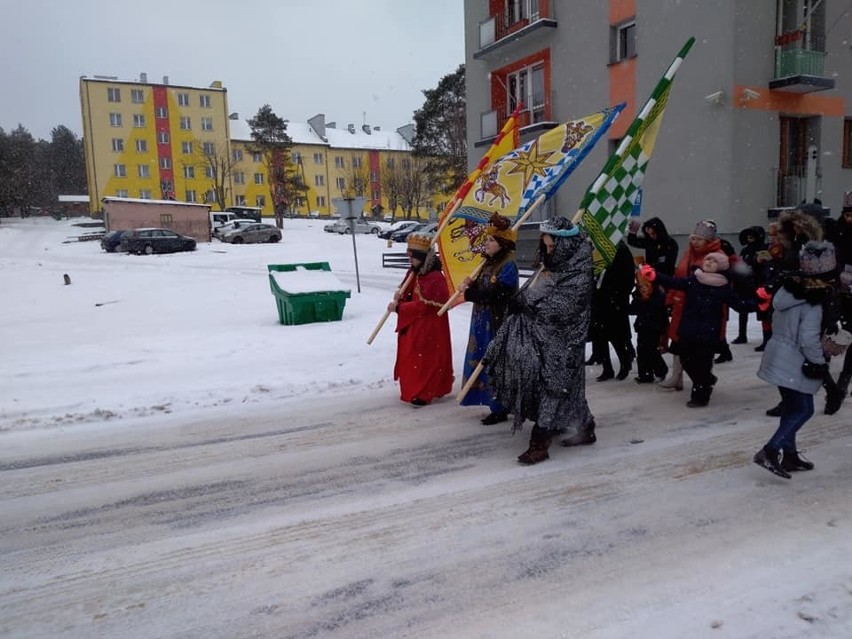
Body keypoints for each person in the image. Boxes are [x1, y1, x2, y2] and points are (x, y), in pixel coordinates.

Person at [482, 217, 595, 464]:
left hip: (565, 336)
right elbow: (539, 289)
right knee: (568, 385)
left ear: (564, 244)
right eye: (546, 246)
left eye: (553, 246)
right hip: (545, 333)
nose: (549, 251)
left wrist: (529, 305)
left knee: (553, 385)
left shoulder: (580, 269)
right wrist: (523, 299)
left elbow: (565, 305)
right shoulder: (554, 265)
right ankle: (585, 426)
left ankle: (540, 442)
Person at [752, 241, 838, 478]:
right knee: (804, 410)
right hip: (795, 361)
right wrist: (820, 362)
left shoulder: (789, 291)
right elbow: (808, 339)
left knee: (792, 407)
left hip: (778, 354)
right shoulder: (813, 301)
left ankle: (789, 456)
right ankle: (770, 451)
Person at [641, 251, 755, 407]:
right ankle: (706, 380)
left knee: (702, 363)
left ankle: (700, 396)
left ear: (720, 267)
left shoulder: (723, 288)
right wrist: (654, 276)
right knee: (686, 360)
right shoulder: (695, 280)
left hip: (708, 332)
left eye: (713, 261)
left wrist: (760, 304)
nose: (708, 263)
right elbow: (674, 282)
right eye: (707, 260)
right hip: (688, 329)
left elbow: (739, 305)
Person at [457, 213, 520, 425]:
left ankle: (500, 407)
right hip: (482, 322)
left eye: (491, 240)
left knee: (496, 364)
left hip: (497, 322)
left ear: (501, 244)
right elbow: (483, 287)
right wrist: (470, 285)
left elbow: (498, 294)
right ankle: (489, 400)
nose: (487, 243)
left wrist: (471, 294)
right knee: (482, 361)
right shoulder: (487, 263)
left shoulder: (508, 265)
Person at [387, 232, 454, 406]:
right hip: (414, 324)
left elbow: (425, 306)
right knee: (412, 358)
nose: (410, 261)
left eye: (413, 258)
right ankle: (414, 389)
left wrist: (400, 308)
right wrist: (400, 297)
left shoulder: (435, 278)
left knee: (427, 360)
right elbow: (409, 293)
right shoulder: (415, 272)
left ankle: (424, 393)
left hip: (430, 326)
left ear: (422, 258)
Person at [658, 220, 722, 391]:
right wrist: (671, 298)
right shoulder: (688, 254)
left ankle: (702, 382)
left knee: (700, 349)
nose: (694, 242)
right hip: (683, 305)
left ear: (708, 241)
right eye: (693, 239)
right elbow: (678, 277)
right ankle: (677, 377)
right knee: (679, 343)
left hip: (703, 309)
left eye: (699, 240)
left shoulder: (715, 257)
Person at [589, 241, 636, 381]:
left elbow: (628, 275)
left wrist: (620, 296)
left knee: (616, 335)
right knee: (599, 334)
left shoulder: (619, 248)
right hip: (598, 296)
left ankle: (624, 363)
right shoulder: (593, 247)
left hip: (614, 298)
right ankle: (607, 368)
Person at [628, 269, 669, 383]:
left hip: (654, 326)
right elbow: (633, 309)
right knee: (642, 350)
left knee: (651, 350)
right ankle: (646, 374)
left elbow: (656, 310)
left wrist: (641, 301)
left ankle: (659, 370)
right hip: (643, 325)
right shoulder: (639, 295)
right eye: (640, 285)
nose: (643, 287)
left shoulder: (657, 294)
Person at [733, 225, 768, 344]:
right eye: (748, 235)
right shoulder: (745, 250)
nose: (750, 237)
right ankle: (742, 335)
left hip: (758, 283)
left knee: (763, 311)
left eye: (753, 235)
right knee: (743, 310)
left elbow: (764, 266)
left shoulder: (764, 249)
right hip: (744, 284)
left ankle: (766, 338)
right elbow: (741, 265)